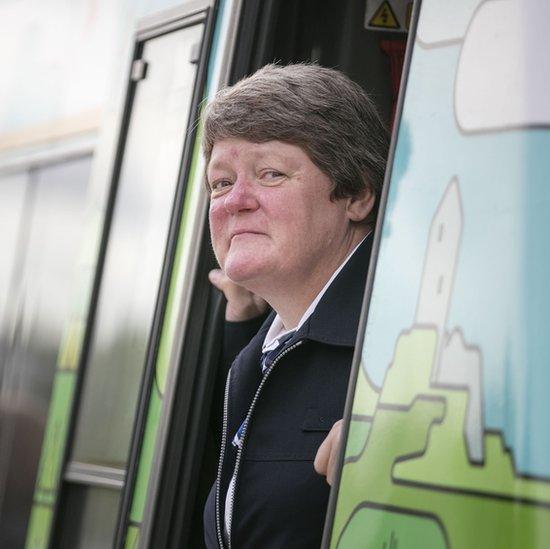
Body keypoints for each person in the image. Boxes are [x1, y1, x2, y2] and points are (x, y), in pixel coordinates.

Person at [200, 63, 388, 548]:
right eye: (220, 183)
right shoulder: (260, 351)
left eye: (271, 174)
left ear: (357, 195)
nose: (234, 201)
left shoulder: (402, 351)